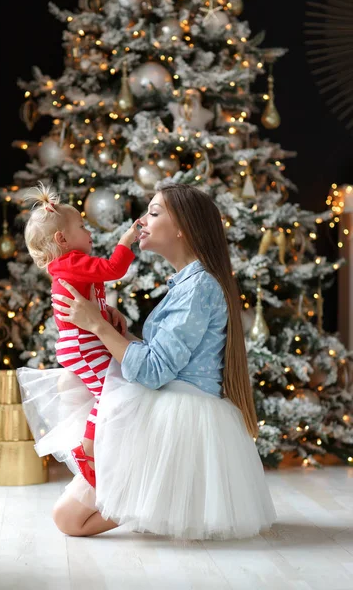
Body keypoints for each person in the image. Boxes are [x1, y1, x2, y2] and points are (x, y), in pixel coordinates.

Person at [43, 182, 277, 540]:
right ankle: (154, 493)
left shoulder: (199, 287)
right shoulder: (189, 283)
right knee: (69, 382)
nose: (141, 221)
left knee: (67, 520)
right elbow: (166, 358)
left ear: (182, 227)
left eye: (153, 213)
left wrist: (96, 325)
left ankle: (159, 493)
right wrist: (116, 330)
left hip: (177, 409)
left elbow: (153, 372)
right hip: (169, 394)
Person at [21, 182, 139, 486]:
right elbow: (114, 269)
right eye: (82, 226)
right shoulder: (71, 262)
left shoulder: (70, 265)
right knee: (113, 393)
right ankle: (87, 450)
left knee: (117, 389)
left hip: (87, 341)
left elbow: (88, 300)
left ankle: (99, 448)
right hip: (83, 346)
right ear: (62, 238)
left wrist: (106, 313)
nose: (89, 232)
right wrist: (127, 239)